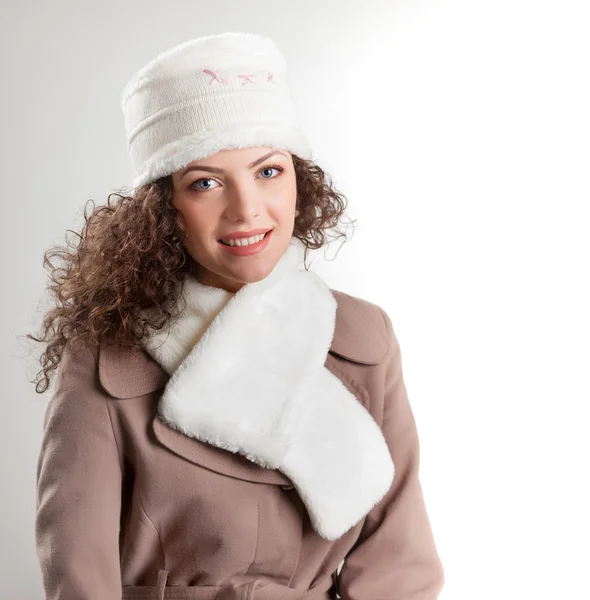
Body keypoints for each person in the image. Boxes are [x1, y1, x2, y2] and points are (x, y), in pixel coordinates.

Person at [29, 31, 445, 600]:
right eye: (205, 183)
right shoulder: (108, 357)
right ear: (164, 208)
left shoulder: (363, 340)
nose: (247, 209)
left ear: (300, 177)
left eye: (268, 171)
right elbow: (79, 577)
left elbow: (402, 571)